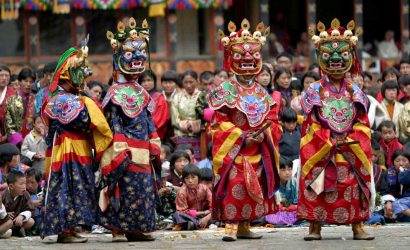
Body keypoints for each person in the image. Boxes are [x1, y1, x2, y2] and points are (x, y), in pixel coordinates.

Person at [298, 19, 374, 240]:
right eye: (328, 55)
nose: (335, 60)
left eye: (341, 54)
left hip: (351, 148)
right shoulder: (314, 91)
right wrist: (328, 139)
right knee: (316, 181)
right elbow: (310, 124)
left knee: (354, 181)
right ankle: (314, 226)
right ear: (320, 57)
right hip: (323, 149)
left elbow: (363, 123)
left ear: (351, 56)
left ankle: (357, 225)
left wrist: (350, 139)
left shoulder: (355, 91)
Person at [209, 19, 281, 241]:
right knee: (234, 184)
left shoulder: (262, 92)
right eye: (240, 55)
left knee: (254, 188)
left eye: (253, 56)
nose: (248, 60)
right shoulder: (226, 89)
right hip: (235, 149)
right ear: (230, 58)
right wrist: (241, 136)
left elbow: (273, 119)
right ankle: (230, 226)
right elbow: (218, 121)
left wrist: (263, 134)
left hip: (257, 147)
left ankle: (244, 226)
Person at [40, 41, 113, 243]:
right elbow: (82, 121)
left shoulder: (64, 97)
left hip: (71, 148)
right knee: (68, 187)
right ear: (69, 75)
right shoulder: (66, 99)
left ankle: (70, 228)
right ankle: (65, 230)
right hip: (68, 149)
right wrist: (87, 100)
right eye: (81, 72)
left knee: (74, 187)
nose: (84, 78)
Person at [99, 18, 161, 242]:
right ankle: (117, 229)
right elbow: (114, 121)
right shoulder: (115, 92)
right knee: (122, 188)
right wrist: (120, 146)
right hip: (124, 149)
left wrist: (154, 139)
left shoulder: (141, 91)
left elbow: (148, 119)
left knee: (143, 190)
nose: (137, 59)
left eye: (141, 53)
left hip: (143, 149)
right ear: (118, 58)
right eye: (130, 55)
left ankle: (137, 229)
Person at [171, 70, 202, 161]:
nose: (188, 85)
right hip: (181, 135)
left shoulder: (203, 96)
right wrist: (186, 125)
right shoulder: (177, 97)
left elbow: (206, 117)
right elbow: (175, 118)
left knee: (198, 162)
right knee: (182, 162)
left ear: (197, 81)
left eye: (191, 82)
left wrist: (193, 125)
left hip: (199, 135)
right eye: (186, 82)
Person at [172, 164, 212, 230]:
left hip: (204, 216)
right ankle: (198, 224)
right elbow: (182, 211)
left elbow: (213, 205)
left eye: (193, 177)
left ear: (198, 178)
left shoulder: (204, 188)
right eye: (187, 178)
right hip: (190, 216)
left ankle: (195, 224)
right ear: (184, 180)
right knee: (177, 215)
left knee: (217, 213)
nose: (190, 181)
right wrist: (202, 213)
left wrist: (207, 216)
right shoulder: (182, 192)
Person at [0, 171, 35, 238]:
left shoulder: (25, 194)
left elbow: (30, 210)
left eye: (25, 183)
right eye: (21, 184)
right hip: (4, 222)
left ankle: (17, 231)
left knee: (31, 221)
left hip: (17, 222)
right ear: (11, 186)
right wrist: (6, 214)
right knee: (9, 223)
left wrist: (22, 216)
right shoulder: (3, 195)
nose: (24, 187)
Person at [5, 68, 36, 140]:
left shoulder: (36, 99)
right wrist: (18, 140)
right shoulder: (11, 99)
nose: (28, 84)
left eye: (31, 82)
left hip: (32, 139)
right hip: (15, 141)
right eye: (25, 81)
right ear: (19, 82)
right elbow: (8, 123)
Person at [139, 70, 170, 141]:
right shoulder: (137, 98)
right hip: (139, 134)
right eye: (143, 81)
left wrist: (146, 128)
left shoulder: (159, 98)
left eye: (149, 80)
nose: (146, 83)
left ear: (154, 82)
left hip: (155, 134)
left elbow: (160, 119)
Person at [265, 158, 298, 225]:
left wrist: (290, 208)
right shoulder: (273, 183)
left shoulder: (294, 182)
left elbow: (297, 203)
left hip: (291, 210)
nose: (287, 173)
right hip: (277, 210)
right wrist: (279, 207)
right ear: (277, 171)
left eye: (289, 169)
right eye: (283, 170)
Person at [0, 65, 17, 144]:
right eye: (1, 75)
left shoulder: (13, 94)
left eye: (6, 75)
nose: (4, 78)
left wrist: (7, 135)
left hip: (9, 133)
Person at [392, 150, 410, 222]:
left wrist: (402, 172)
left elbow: (403, 180)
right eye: (397, 161)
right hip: (404, 201)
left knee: (397, 204)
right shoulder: (388, 173)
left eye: (404, 161)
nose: (401, 163)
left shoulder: (407, 172)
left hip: (406, 200)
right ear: (393, 162)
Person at [25, 168, 43, 235]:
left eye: (32, 182)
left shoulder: (43, 190)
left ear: (38, 182)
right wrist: (31, 203)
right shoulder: (23, 192)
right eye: (27, 182)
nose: (29, 185)